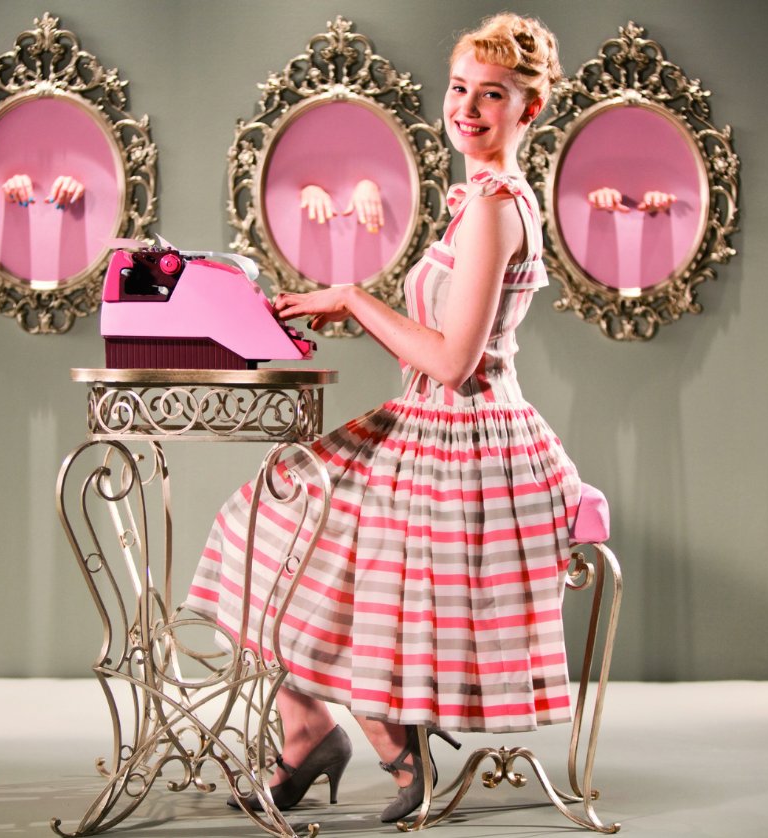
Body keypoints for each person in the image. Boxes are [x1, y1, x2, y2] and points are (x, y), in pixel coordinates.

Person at [184, 12, 579, 823]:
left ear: (529, 109)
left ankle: (385, 743)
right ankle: (311, 731)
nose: (467, 108)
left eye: (492, 94)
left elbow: (454, 363)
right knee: (269, 524)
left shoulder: (496, 206)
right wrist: (341, 307)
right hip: (427, 425)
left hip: (467, 440)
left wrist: (354, 299)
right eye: (460, 88)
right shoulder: (478, 200)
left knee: (317, 556)